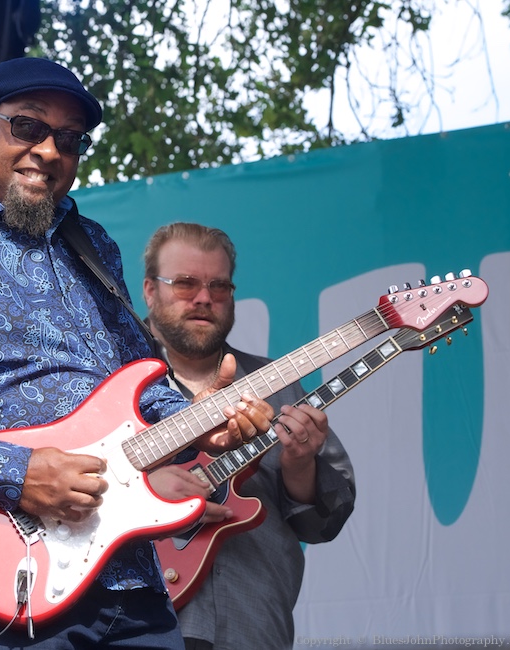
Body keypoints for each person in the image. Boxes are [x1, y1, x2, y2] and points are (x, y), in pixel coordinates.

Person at [0, 58, 275, 649]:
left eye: (69, 139)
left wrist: (201, 423)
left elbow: (136, 387)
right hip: (3, 576)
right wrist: (16, 474)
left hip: (128, 576)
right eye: (28, 127)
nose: (48, 149)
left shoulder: (91, 246)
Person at [142, 223, 356, 650]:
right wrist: (146, 492)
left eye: (219, 286)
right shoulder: (109, 380)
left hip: (250, 620)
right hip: (131, 619)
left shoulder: (278, 383)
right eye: (185, 284)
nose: (204, 298)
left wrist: (301, 466)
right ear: (150, 290)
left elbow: (325, 522)